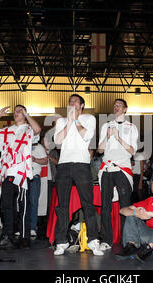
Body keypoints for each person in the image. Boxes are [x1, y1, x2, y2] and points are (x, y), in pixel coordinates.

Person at [52, 94, 102, 256]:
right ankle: (61, 241)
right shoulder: (61, 121)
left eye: (75, 102)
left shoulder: (89, 118)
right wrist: (68, 121)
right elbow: (58, 141)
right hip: (64, 164)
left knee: (87, 203)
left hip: (81, 164)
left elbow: (86, 135)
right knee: (62, 205)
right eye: (70, 102)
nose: (72, 104)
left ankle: (94, 241)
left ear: (81, 105)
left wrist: (76, 120)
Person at [0, 105, 41, 249]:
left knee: (23, 207)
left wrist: (27, 114)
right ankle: (7, 236)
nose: (16, 113)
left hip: (21, 174)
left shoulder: (28, 129)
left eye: (20, 111)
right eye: (15, 111)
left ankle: (24, 237)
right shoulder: (8, 130)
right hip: (7, 173)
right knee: (6, 206)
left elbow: (38, 130)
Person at [96, 99, 139, 251]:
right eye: (114, 105)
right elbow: (100, 151)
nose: (116, 107)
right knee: (105, 206)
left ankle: (127, 239)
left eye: (119, 105)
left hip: (123, 169)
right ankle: (106, 240)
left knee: (125, 205)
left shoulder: (132, 127)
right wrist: (108, 136)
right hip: (107, 168)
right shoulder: (105, 125)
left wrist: (118, 136)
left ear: (125, 109)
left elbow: (133, 151)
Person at [29, 140, 48, 238]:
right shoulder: (22, 144)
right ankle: (23, 227)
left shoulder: (39, 147)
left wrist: (34, 159)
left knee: (33, 202)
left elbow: (45, 160)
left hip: (34, 177)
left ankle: (32, 227)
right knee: (22, 203)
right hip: (22, 177)